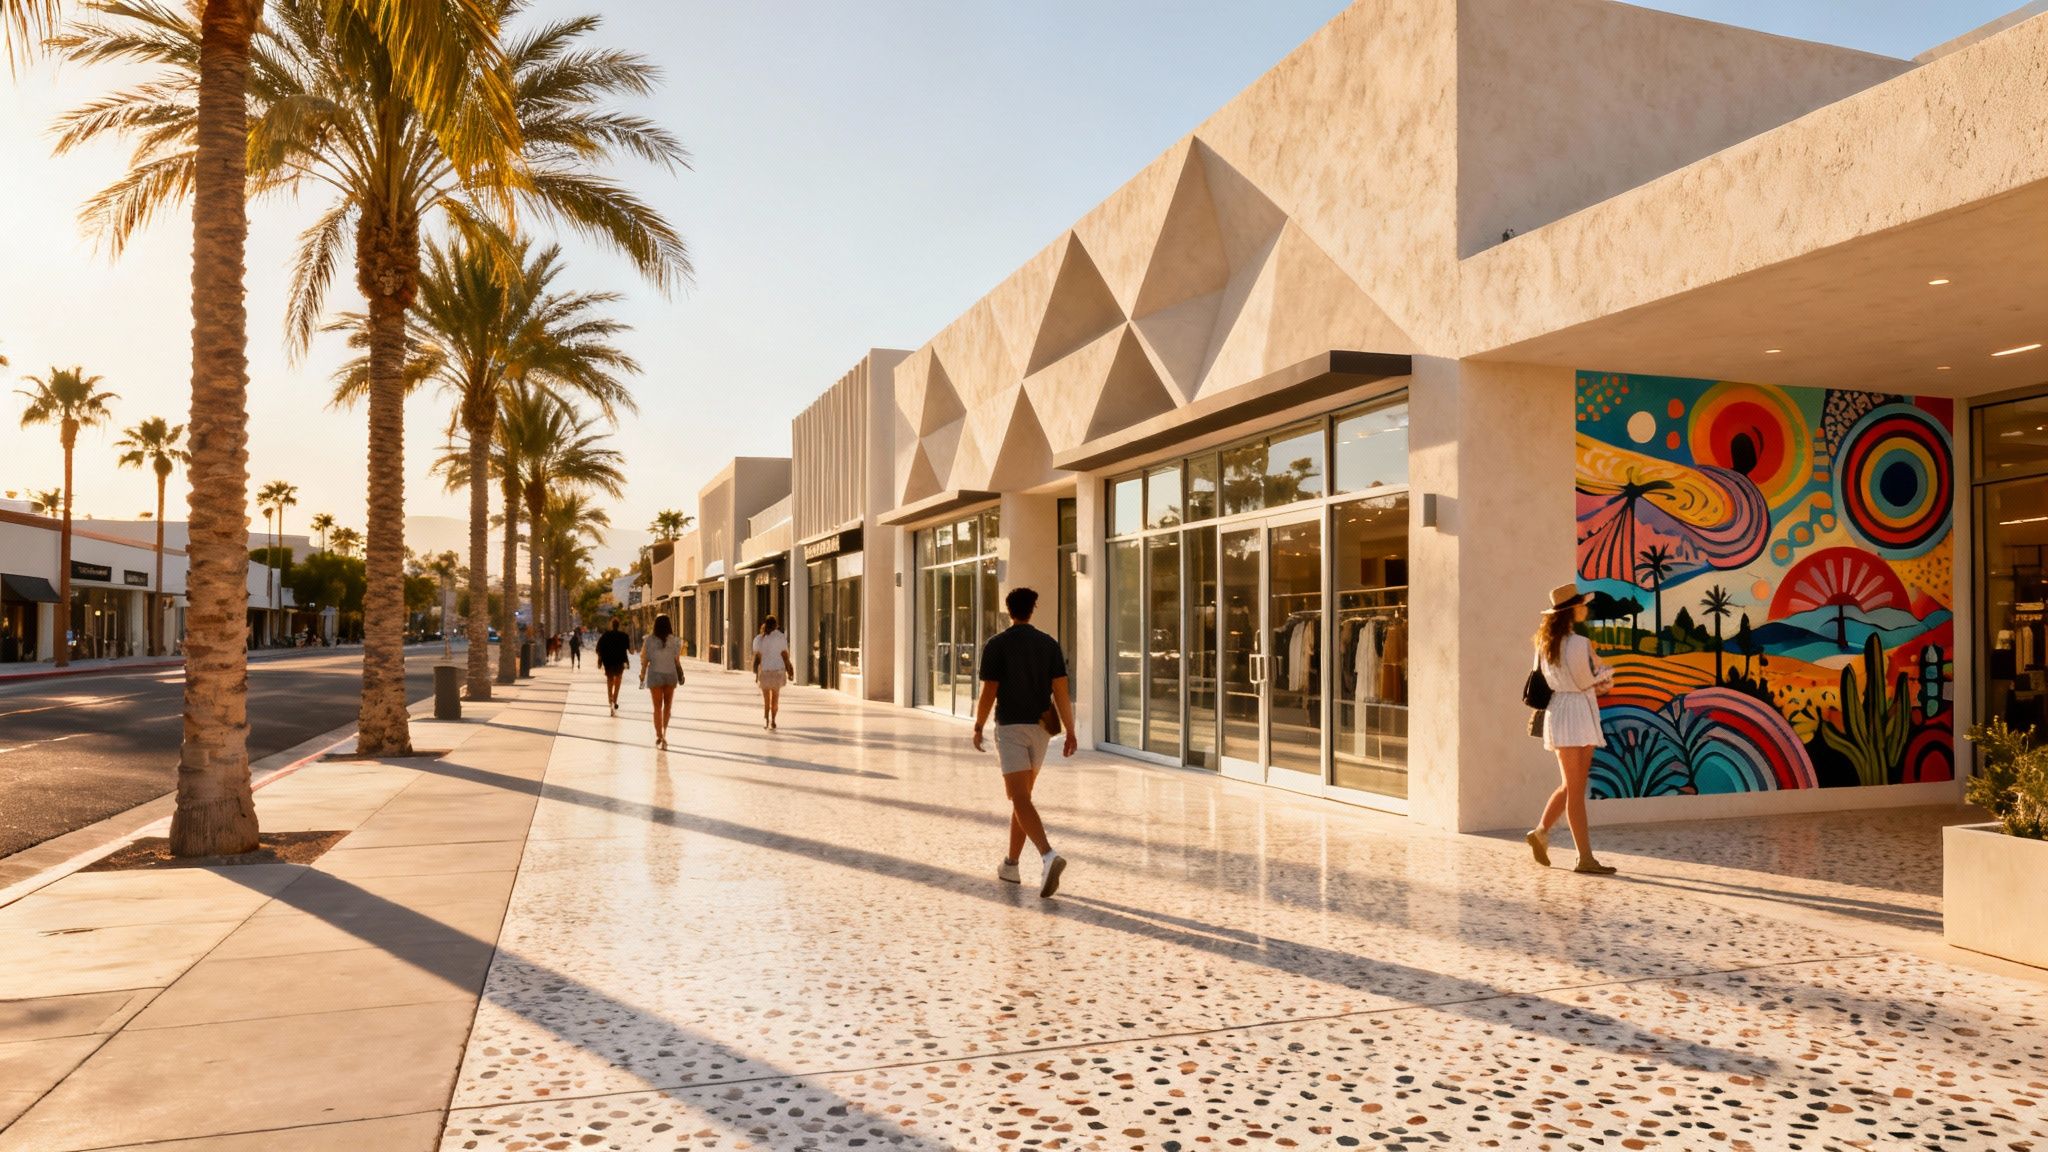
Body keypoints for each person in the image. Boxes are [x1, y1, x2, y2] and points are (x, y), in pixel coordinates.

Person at [971, 587, 1077, 899]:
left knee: (1019, 797)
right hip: (1041, 730)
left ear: (1009, 610)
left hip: (1011, 729)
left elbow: (989, 691)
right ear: (1032, 609)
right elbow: (1061, 691)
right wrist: (1071, 730)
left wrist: (978, 726)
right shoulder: (1049, 644)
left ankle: (1048, 855)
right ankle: (1011, 865)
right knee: (1023, 798)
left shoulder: (997, 644)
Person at [1527, 583, 1618, 875]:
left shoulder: (1544, 644)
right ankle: (1585, 857)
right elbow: (1583, 681)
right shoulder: (1579, 643)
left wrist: (1596, 676)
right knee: (1576, 790)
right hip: (1578, 713)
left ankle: (1541, 833)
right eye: (1582, 605)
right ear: (1572, 610)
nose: (1586, 609)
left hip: (1559, 712)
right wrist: (1605, 674)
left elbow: (1551, 679)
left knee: (1570, 785)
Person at [640, 612, 684, 749]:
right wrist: (681, 674)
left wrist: (642, 674)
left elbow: (644, 659)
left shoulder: (648, 640)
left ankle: (659, 735)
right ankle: (664, 733)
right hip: (670, 676)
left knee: (657, 707)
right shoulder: (676, 641)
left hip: (655, 676)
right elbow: (677, 661)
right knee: (667, 707)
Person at [752, 615, 793, 730]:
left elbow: (757, 658)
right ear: (776, 625)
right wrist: (789, 670)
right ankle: (773, 720)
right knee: (775, 698)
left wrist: (756, 673)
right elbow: (785, 656)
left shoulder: (759, 639)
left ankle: (766, 719)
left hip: (765, 672)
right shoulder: (780, 637)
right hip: (777, 672)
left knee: (766, 699)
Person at [596, 616, 632, 715]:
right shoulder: (624, 636)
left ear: (612, 625)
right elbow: (629, 650)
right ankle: (615, 700)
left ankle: (610, 700)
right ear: (618, 625)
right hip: (619, 663)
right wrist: (627, 661)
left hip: (608, 663)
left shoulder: (605, 636)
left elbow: (598, 649)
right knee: (618, 680)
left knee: (610, 681)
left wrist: (600, 660)